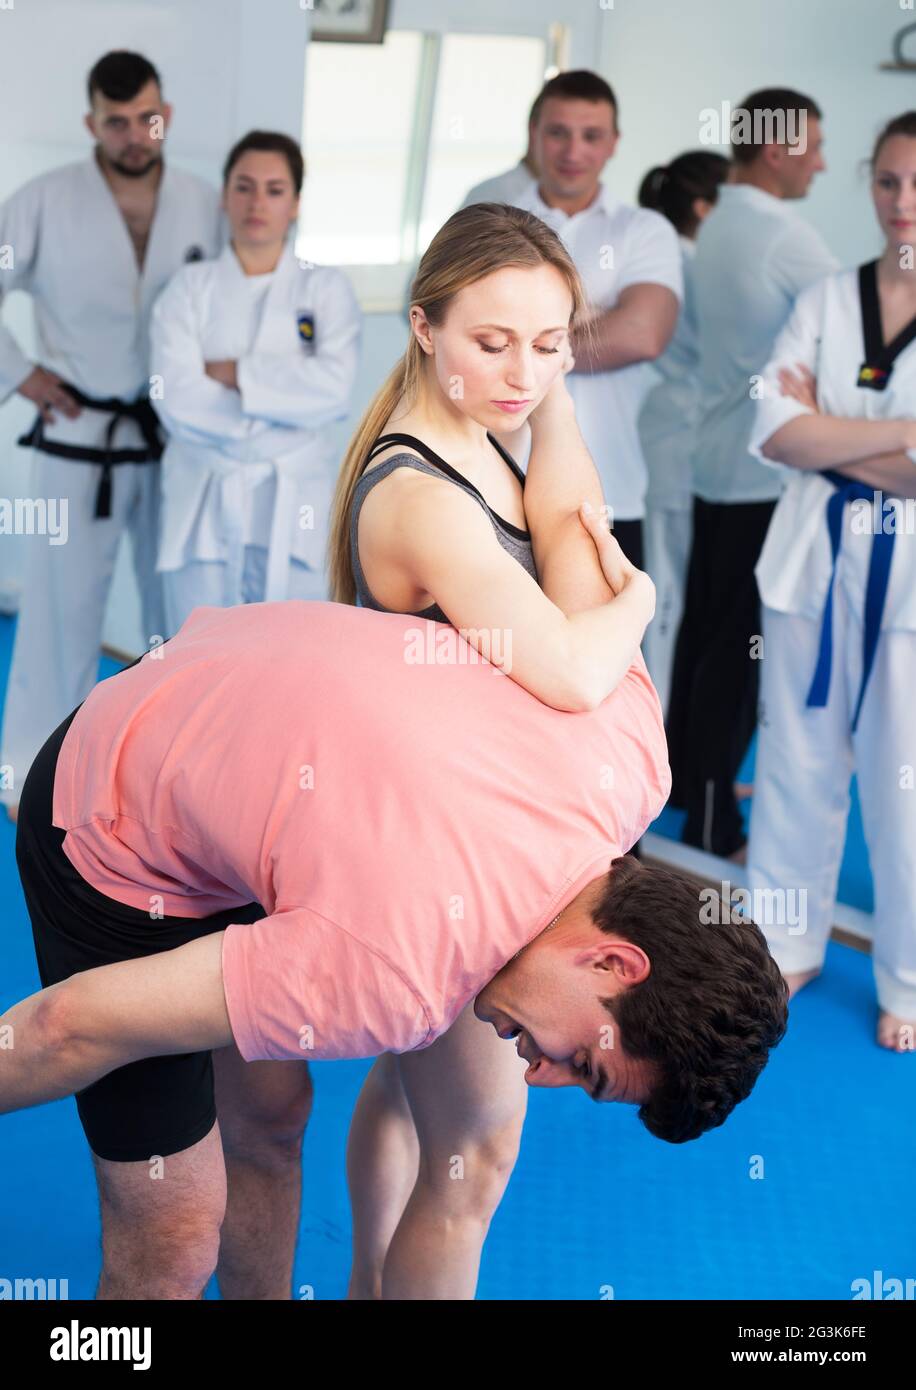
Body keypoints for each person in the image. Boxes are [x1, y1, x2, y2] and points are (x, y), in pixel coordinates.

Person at [6, 598, 788, 1302]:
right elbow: (65, 1026)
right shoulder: (395, 974)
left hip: (245, 753)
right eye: (583, 1063)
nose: (540, 1074)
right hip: (110, 823)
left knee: (274, 1118)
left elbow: (566, 552)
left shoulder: (631, 741)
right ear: (615, 962)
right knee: (174, 1241)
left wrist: (640, 592)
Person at [327, 198, 659, 1297]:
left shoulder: (487, 438)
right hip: (437, 858)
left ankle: (372, 1279)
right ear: (422, 327)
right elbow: (568, 665)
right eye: (491, 340)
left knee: (404, 1091)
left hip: (458, 826)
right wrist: (642, 601)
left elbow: (568, 545)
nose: (523, 372)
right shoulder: (424, 491)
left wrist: (542, 375)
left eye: (550, 342)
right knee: (476, 1158)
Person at [0, 50, 222, 822]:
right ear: (91, 122)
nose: (135, 133)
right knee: (59, 616)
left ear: (168, 115)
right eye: (117, 121)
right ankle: (29, 775)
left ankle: (170, 780)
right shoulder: (43, 201)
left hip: (176, 437)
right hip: (77, 433)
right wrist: (21, 372)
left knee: (182, 612)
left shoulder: (207, 203)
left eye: (147, 118)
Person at [745, 111, 916, 1054]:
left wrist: (830, 432)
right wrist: (900, 436)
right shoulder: (825, 295)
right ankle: (783, 940)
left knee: (906, 784)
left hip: (908, 581)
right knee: (797, 763)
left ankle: (909, 976)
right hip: (814, 560)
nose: (903, 204)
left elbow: (806, 431)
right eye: (888, 181)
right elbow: (773, 426)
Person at [665, 88, 838, 859]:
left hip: (717, 462)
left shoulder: (720, 222)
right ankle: (712, 822)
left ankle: (685, 785)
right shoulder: (780, 233)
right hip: (762, 473)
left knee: (707, 641)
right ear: (777, 149)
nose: (822, 163)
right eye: (814, 147)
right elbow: (870, 315)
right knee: (738, 654)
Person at [149, 130, 361, 630]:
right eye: (244, 187)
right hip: (206, 491)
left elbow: (333, 390)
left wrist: (235, 374)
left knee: (291, 652)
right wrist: (278, 409)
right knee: (194, 651)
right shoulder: (187, 289)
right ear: (224, 197)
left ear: (295, 204)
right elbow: (174, 395)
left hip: (293, 498)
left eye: (274, 189)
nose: (257, 202)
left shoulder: (325, 288)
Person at [510, 70, 684, 571]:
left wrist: (519, 336)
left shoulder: (644, 230)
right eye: (558, 132)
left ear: (613, 143)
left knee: (610, 646)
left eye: (591, 136)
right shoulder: (490, 221)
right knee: (486, 648)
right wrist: (592, 318)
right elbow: (460, 330)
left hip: (609, 487)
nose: (573, 150)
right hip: (498, 478)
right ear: (534, 133)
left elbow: (643, 335)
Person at [637, 151, 731, 715]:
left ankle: (658, 732)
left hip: (667, 433)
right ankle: (658, 735)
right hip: (677, 440)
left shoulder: (670, 254)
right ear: (704, 208)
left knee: (660, 589)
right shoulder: (691, 264)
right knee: (664, 595)